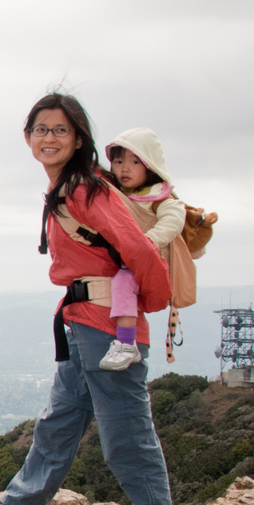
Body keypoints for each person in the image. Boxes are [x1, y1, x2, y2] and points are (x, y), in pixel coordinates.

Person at [0, 93, 176, 505]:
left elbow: (138, 249)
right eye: (41, 129)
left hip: (110, 331)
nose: (50, 138)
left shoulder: (87, 189)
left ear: (79, 138)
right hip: (82, 325)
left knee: (127, 438)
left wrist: (155, 302)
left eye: (61, 129)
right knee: (57, 423)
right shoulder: (66, 188)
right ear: (27, 137)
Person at [98, 128, 187, 371]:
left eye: (134, 162)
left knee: (122, 282)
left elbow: (173, 220)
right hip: (133, 259)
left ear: (150, 166)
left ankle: (127, 344)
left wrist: (144, 243)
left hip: (151, 261)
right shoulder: (120, 194)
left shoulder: (160, 198)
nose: (124, 169)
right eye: (118, 161)